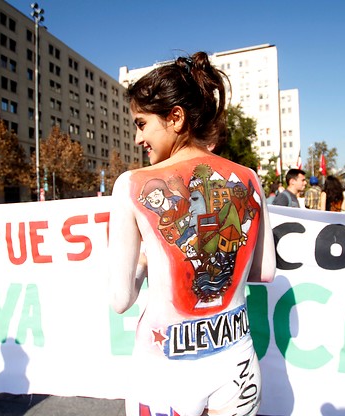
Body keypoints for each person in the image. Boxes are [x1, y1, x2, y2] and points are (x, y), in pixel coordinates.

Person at [107, 52, 276, 416]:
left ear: (176, 118)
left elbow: (120, 299)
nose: (138, 139)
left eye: (141, 124)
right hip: (237, 365)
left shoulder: (131, 185)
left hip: (164, 371)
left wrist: (145, 259)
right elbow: (264, 273)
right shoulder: (248, 177)